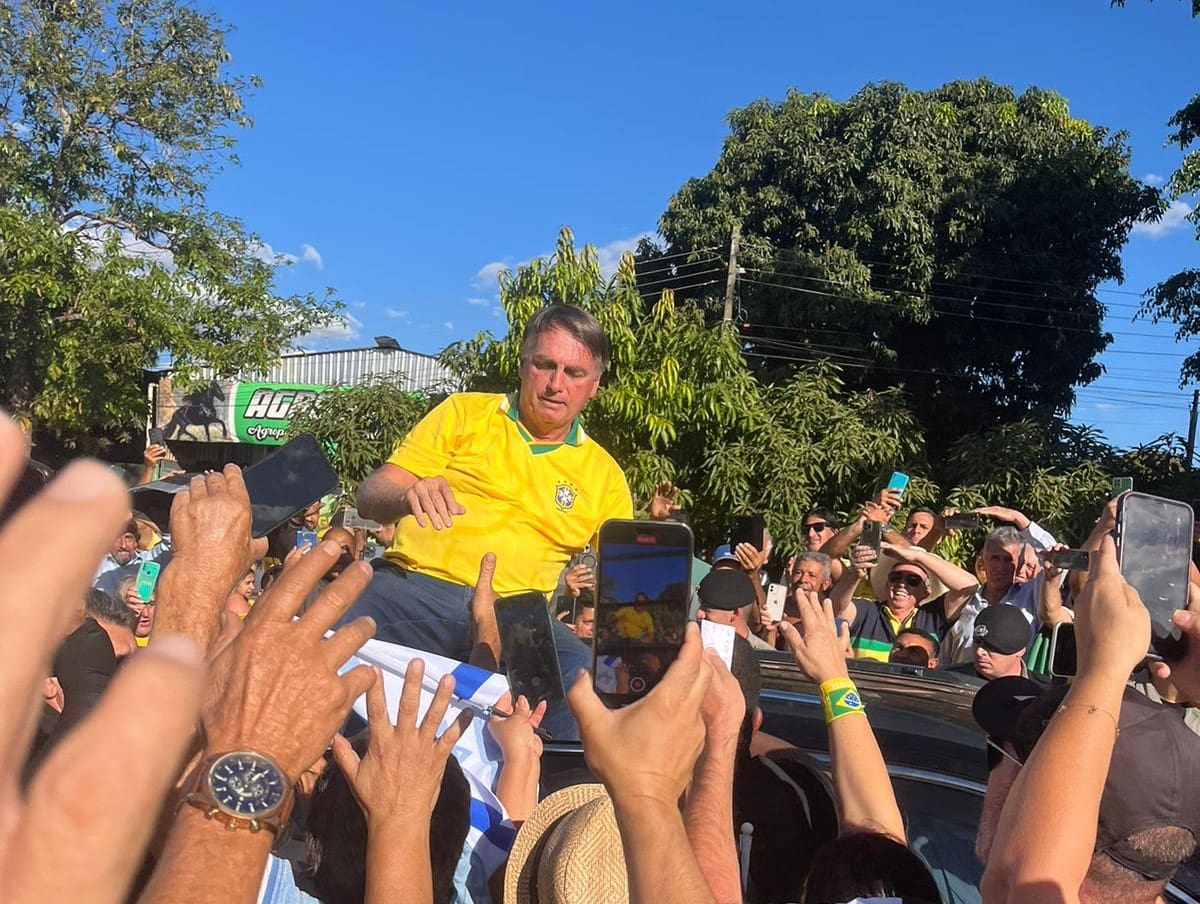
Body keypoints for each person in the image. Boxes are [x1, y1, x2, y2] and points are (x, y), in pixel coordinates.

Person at [346, 305, 632, 740]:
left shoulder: (605, 475)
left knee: (591, 696)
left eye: (574, 373)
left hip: (521, 618)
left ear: (593, 387)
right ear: (523, 365)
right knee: (330, 644)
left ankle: (549, 804)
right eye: (545, 365)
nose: (556, 385)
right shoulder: (463, 414)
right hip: (416, 588)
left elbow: (627, 585)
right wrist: (407, 494)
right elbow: (370, 497)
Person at [976, 536, 1200, 903]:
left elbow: (1021, 881)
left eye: (1001, 752)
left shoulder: (1028, 886)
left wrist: (1106, 669)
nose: (994, 771)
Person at [830, 542, 977, 662]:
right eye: (895, 577)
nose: (902, 584)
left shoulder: (932, 617)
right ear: (887, 585)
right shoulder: (868, 611)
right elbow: (837, 608)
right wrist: (855, 577)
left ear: (926, 592)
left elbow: (969, 586)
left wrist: (917, 556)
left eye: (913, 580)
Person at [947, 603, 1033, 681]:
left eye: (990, 646)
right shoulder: (948, 680)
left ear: (1020, 651)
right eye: (977, 641)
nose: (979, 652)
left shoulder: (1041, 692)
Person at [695, 568, 773, 651]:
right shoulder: (689, 647)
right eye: (701, 605)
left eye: (707, 608)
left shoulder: (767, 659)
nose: (698, 614)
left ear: (735, 613)